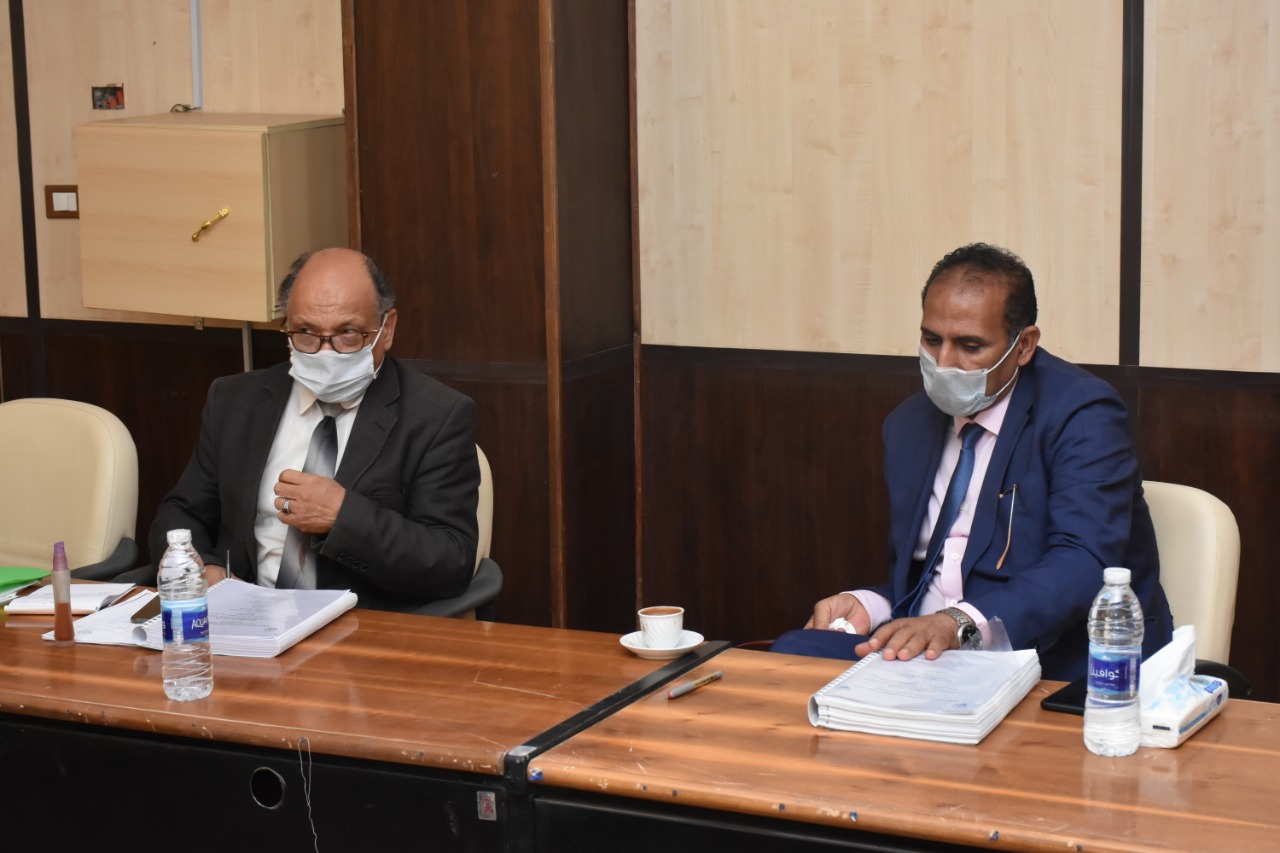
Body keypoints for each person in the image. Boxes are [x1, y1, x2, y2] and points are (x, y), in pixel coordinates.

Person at [772, 243, 1172, 680]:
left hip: (1051, 656)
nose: (944, 363)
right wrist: (872, 605)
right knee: (794, 654)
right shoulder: (908, 425)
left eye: (970, 345)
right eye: (932, 340)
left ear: (1024, 346)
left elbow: (1082, 563)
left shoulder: (1081, 413)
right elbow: (938, 575)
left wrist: (956, 624)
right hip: (934, 659)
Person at [143, 247, 481, 612]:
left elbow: (451, 559)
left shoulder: (437, 415)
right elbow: (180, 512)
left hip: (359, 628)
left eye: (347, 333)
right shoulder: (235, 401)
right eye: (305, 333)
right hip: (240, 616)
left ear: (386, 329)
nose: (325, 352)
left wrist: (343, 516)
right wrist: (204, 569)